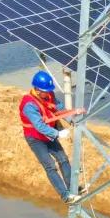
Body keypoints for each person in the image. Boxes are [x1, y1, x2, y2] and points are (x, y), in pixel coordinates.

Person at [20, 70, 85, 204]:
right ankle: (65, 195)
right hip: (36, 138)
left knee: (63, 159)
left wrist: (71, 120)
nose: (48, 93)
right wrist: (57, 133)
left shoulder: (49, 95)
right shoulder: (29, 105)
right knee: (50, 166)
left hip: (49, 135)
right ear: (37, 90)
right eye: (45, 91)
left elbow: (60, 109)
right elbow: (39, 126)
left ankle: (73, 188)